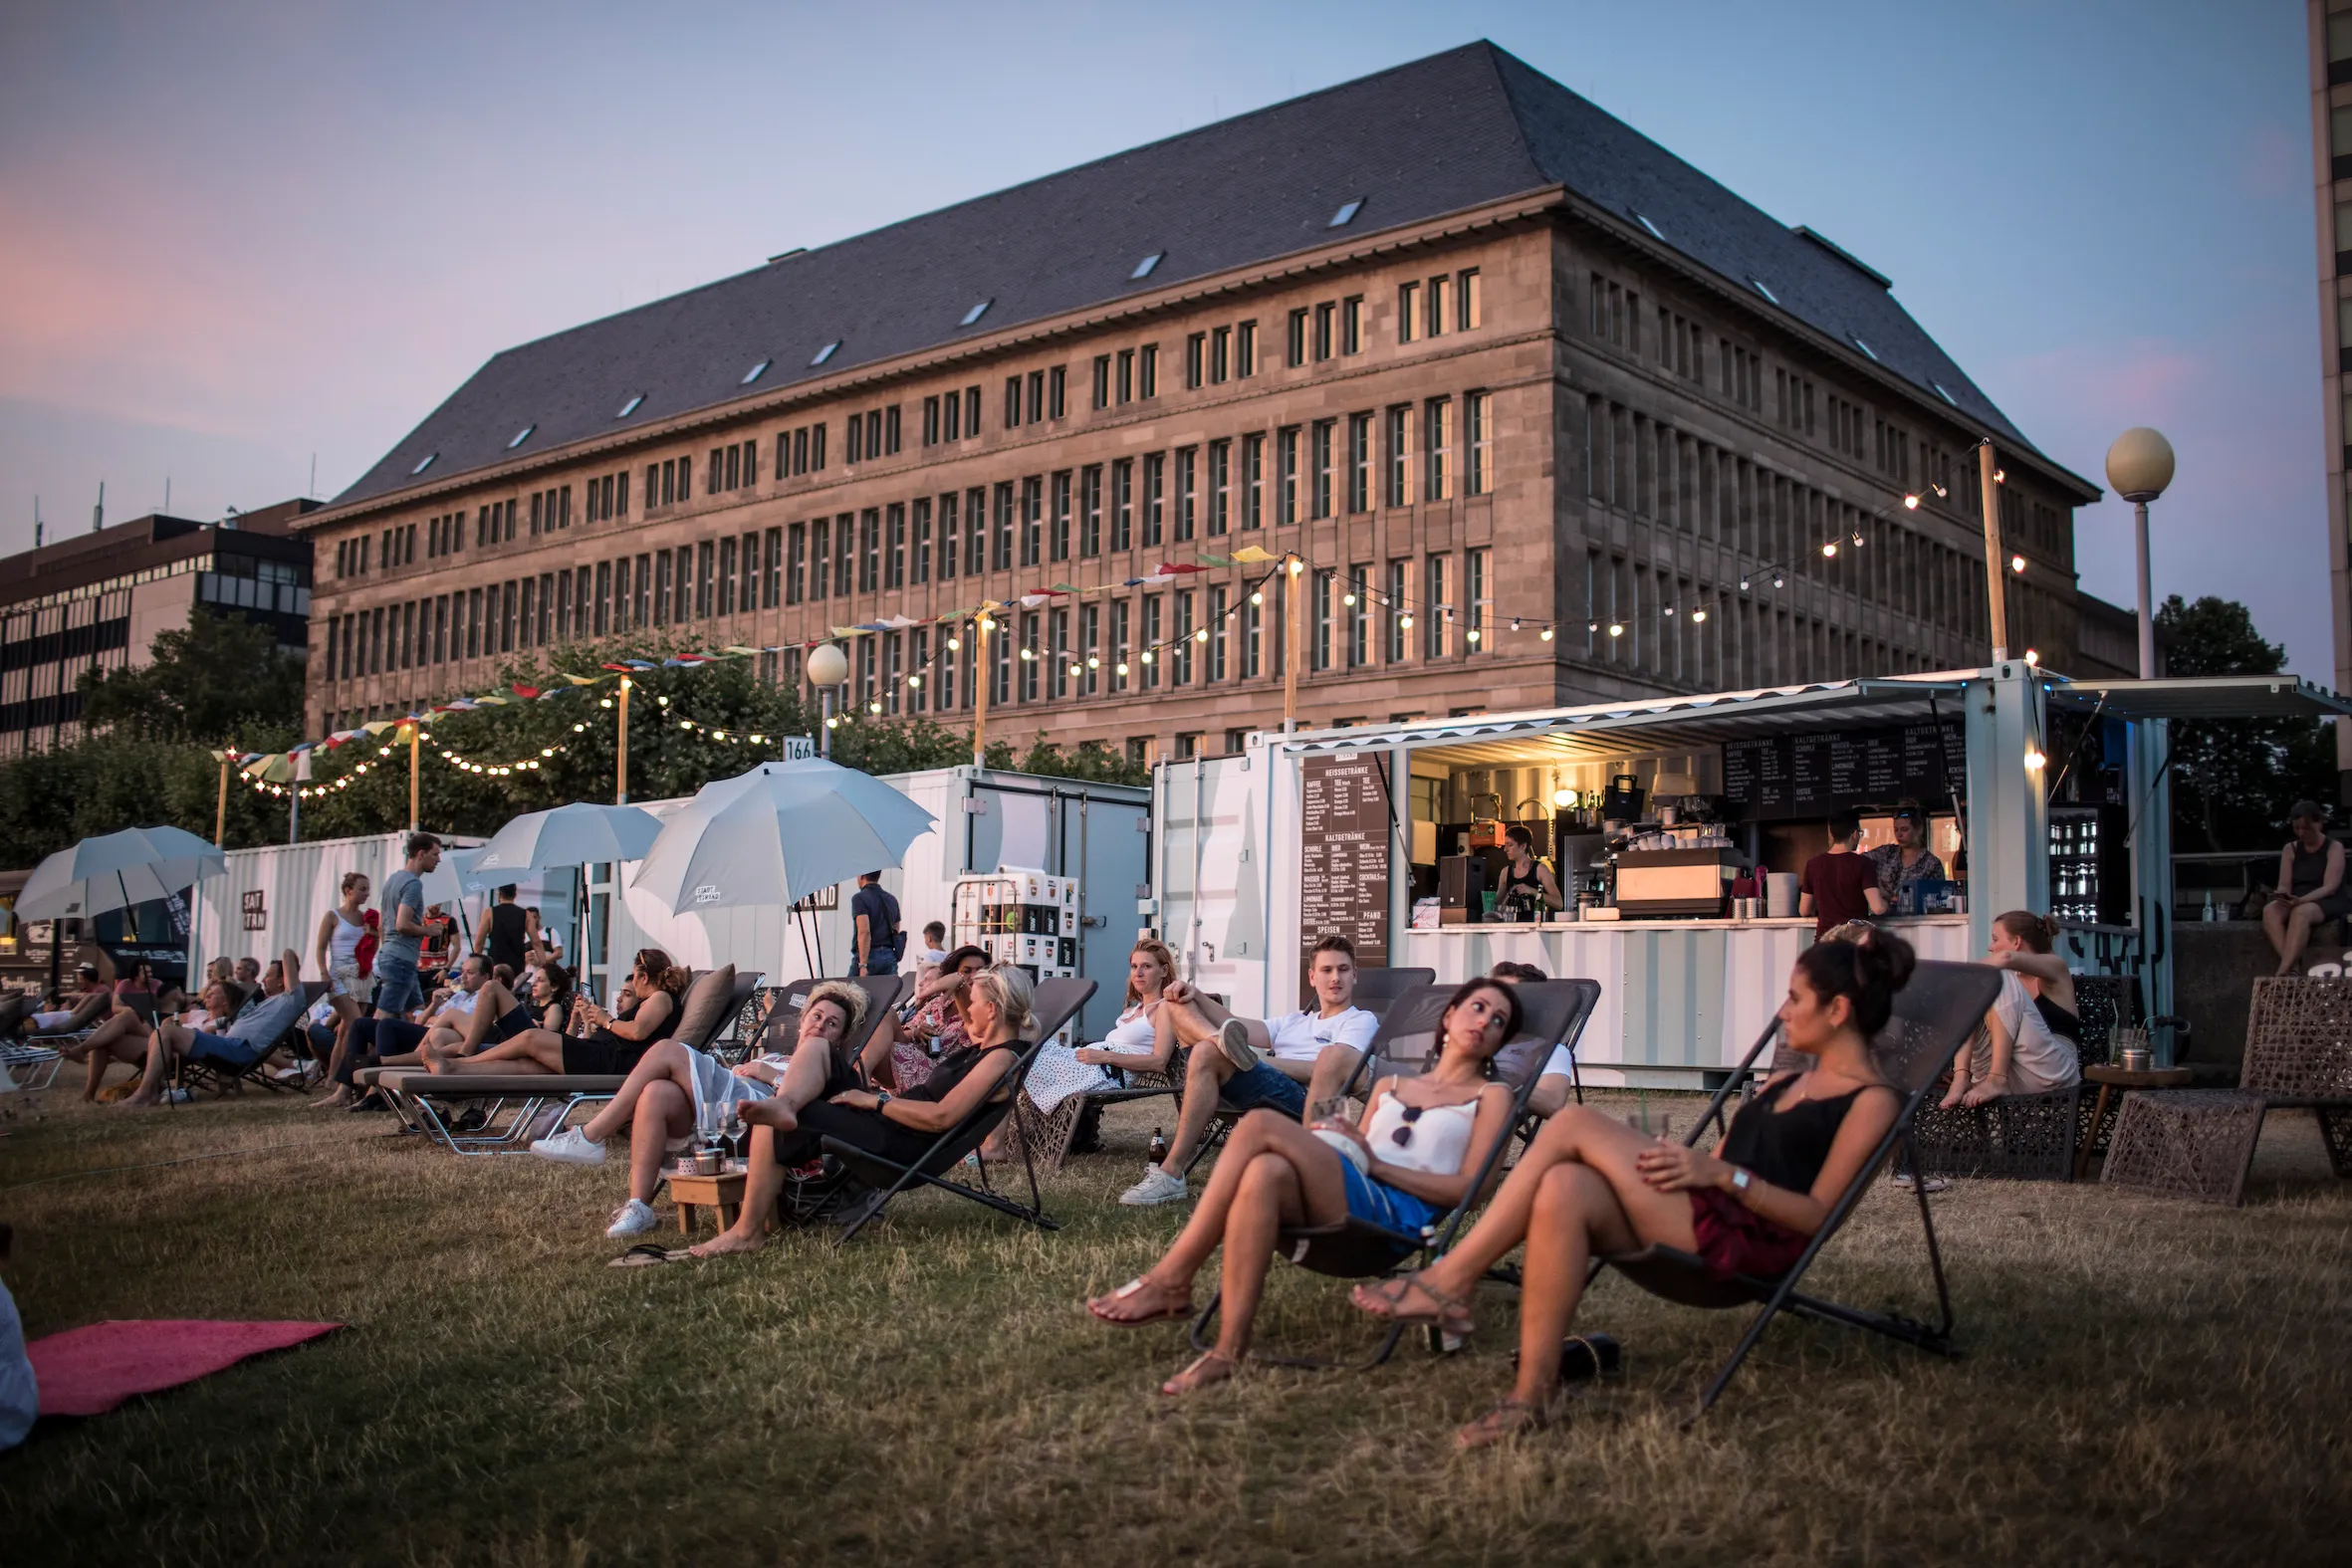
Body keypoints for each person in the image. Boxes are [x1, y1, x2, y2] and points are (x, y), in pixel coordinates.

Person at [1351, 930, 1913, 1449]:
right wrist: (1691, 1165)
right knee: (1565, 1185)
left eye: (1795, 997)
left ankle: (1449, 1279)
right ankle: (1532, 1395)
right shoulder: (1790, 1079)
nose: (1783, 1011)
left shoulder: (1873, 1102)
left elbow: (1818, 1217)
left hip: (1748, 1245)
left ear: (1838, 1010)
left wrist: (1723, 1177)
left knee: (1571, 1123)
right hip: (1706, 1210)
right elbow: (1724, 1162)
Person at [1087, 977, 1524, 1395]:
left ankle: (1171, 1279)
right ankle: (1227, 1350)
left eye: (1499, 1020)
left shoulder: (1493, 1097)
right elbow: (1359, 1154)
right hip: (1347, 1191)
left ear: (1501, 1040)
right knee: (1264, 1174)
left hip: (1390, 1222)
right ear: (1448, 1017)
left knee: (1259, 1124)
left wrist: (1374, 1163)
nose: (1485, 1021)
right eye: (1478, 1007)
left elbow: (1473, 1193)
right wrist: (1344, 1146)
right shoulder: (1391, 1085)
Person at [687, 964, 1034, 1258]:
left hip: (901, 1143)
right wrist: (958, 983)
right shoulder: (986, 1046)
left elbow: (941, 1117)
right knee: (818, 1046)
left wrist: (877, 1100)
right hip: (887, 1122)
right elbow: (974, 1004)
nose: (964, 1010)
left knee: (774, 1124)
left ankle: (748, 1232)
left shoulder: (1001, 1060)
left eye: (973, 1004)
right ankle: (784, 1104)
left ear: (992, 1010)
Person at [532, 982, 869, 1238]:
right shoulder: (773, 1057)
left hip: (755, 1127)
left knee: (666, 1050)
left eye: (832, 1024)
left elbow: (803, 1106)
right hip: (719, 1122)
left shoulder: (823, 1061)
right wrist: (747, 1069)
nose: (820, 1027)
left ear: (840, 1039)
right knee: (657, 1092)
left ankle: (591, 1135)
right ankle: (638, 1206)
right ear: (802, 1019)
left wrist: (772, 1077)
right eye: (817, 1016)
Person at [1118, 935, 1379, 1208]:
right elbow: (1238, 1023)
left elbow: (1330, 1069)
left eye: (1343, 969)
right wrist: (1195, 995)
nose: (1335, 977)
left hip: (1302, 1102)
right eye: (1327, 970)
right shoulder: (1295, 1020)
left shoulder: (1359, 1020)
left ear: (1354, 975)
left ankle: (1171, 1173)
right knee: (1174, 1003)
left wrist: (1261, 1063)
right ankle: (1222, 1045)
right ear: (1312, 977)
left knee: (1208, 1051)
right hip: (1259, 1087)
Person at [431, 948, 684, 1076]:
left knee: (531, 1038)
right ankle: (455, 1069)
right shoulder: (657, 999)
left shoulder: (661, 997)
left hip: (608, 1061)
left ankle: (463, 1062)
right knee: (526, 1067)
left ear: (642, 975)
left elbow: (638, 1031)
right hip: (603, 1055)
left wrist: (607, 1021)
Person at [119, 948, 314, 1107]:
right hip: (228, 1044)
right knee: (161, 1032)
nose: (263, 980)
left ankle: (144, 1094)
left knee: (167, 1032)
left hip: (240, 1050)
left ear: (283, 979)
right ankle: (153, 1090)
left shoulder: (292, 998)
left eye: (268, 976)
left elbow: (287, 953)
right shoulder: (270, 1001)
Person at [1022, 938, 1180, 1118]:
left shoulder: (1164, 1009)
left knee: (1024, 1060)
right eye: (1134, 966)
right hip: (1091, 1062)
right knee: (1027, 1047)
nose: (1138, 973)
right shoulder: (1131, 1010)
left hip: (1107, 1074)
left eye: (1146, 966)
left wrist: (1105, 1056)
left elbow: (1159, 1062)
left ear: (1164, 970)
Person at [1941, 912, 2083, 1109]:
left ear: (2016, 942)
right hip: (2010, 1070)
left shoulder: (2056, 966)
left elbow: (2005, 958)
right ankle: (1961, 1076)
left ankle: (1996, 1079)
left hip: (2052, 1073)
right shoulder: (2013, 984)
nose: (1990, 947)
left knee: (1996, 976)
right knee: (1974, 986)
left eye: (1995, 939)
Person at [880, 944, 989, 1090]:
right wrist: (916, 1032)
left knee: (883, 1048)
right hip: (911, 1056)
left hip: (940, 1076)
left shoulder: (984, 1010)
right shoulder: (938, 1003)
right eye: (966, 971)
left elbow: (974, 1027)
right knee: (885, 1013)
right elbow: (902, 1034)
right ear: (952, 973)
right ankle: (861, 1072)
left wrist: (960, 982)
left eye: (981, 971)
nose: (974, 976)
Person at [2263, 800, 2349, 976]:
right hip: (2297, 897)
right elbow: (2284, 883)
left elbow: (2330, 887)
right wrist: (2282, 894)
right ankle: (2293, 966)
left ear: (2318, 824)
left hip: (2327, 899)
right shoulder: (2290, 849)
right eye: (2297, 828)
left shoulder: (2334, 847)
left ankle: (2283, 971)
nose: (2301, 833)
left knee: (2301, 913)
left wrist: (2301, 900)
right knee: (2270, 911)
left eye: (2306, 828)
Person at [373, 833, 443, 1020]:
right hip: (400, 958)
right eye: (435, 854)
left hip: (393, 954)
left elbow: (382, 924)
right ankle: (367, 1049)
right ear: (421, 854)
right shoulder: (413, 884)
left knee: (416, 1010)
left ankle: (412, 1048)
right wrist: (428, 930)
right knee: (385, 1013)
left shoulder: (394, 879)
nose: (439, 860)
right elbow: (402, 924)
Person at [1799, 809, 1887, 936]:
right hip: (1853, 940)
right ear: (1855, 834)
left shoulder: (1813, 864)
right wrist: (1888, 903)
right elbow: (1877, 908)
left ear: (1832, 834)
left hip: (1825, 940)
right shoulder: (1863, 863)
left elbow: (1804, 910)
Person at [1865, 805, 1946, 912]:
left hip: (1916, 923)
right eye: (1896, 829)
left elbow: (1938, 901)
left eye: (1904, 829)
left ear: (1918, 830)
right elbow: (1857, 862)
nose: (1899, 834)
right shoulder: (1885, 853)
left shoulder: (1931, 864)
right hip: (1882, 921)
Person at [1494, 823, 1563, 920]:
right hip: (1512, 928)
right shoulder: (1506, 872)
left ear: (1523, 846)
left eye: (1510, 845)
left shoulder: (1540, 869)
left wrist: (1532, 891)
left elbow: (1558, 903)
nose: (1505, 849)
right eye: (1505, 845)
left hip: (1536, 928)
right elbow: (1497, 903)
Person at [851, 870, 904, 978]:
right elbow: (896, 929)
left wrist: (863, 965)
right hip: (889, 955)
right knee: (889, 993)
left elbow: (864, 931)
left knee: (848, 992)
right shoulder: (892, 899)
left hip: (868, 956)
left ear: (861, 876)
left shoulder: (859, 898)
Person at [485, 885, 529, 979]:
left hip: (495, 963)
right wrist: (543, 964)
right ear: (515, 894)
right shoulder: (525, 914)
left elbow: (479, 942)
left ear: (499, 894)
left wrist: (478, 965)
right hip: (517, 965)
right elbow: (536, 942)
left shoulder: (489, 913)